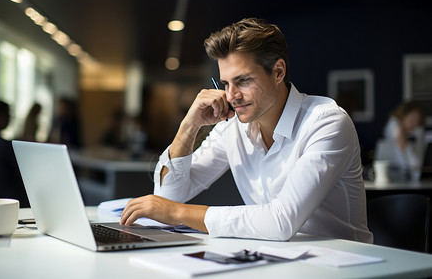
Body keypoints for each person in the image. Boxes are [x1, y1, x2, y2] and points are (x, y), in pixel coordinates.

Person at [120, 18, 373, 243]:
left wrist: (177, 213)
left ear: (278, 71)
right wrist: (189, 125)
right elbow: (167, 195)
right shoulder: (232, 128)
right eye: (226, 84)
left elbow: (281, 221)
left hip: (343, 266)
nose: (231, 96)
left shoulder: (326, 122)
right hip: (274, 263)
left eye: (243, 81)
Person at [0, 100, 29, 207]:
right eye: (8, 115)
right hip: (11, 202)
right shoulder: (5, 146)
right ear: (1, 117)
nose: (10, 119)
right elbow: (22, 175)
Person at [382, 101, 425, 175]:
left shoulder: (416, 131)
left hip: (410, 173)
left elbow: (417, 162)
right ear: (403, 116)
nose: (415, 123)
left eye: (417, 120)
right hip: (393, 172)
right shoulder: (393, 124)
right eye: (412, 119)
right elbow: (402, 146)